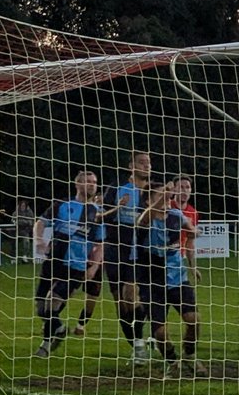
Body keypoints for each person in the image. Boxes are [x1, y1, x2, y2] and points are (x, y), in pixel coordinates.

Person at [32, 171, 104, 358]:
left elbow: (100, 244)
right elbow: (40, 222)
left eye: (94, 182)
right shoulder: (62, 205)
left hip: (76, 265)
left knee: (53, 301)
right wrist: (39, 240)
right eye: (87, 182)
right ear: (77, 185)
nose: (91, 185)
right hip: (54, 260)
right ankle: (58, 328)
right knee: (42, 308)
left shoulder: (97, 213)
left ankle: (46, 344)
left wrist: (94, 267)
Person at [86, 152, 150, 359]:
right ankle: (136, 345)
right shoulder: (116, 188)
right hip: (115, 249)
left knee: (132, 296)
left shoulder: (151, 192)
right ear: (131, 166)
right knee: (120, 303)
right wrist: (118, 206)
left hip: (138, 250)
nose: (147, 166)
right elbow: (100, 217)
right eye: (142, 162)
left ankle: (142, 341)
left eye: (149, 162)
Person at [140, 180, 205, 377]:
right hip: (152, 281)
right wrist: (159, 199)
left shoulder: (177, 216)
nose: (167, 198)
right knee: (160, 332)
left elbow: (192, 230)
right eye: (161, 195)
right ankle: (171, 360)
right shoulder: (145, 220)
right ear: (149, 201)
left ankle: (190, 355)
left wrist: (194, 232)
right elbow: (142, 220)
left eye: (167, 195)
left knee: (194, 320)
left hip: (177, 277)